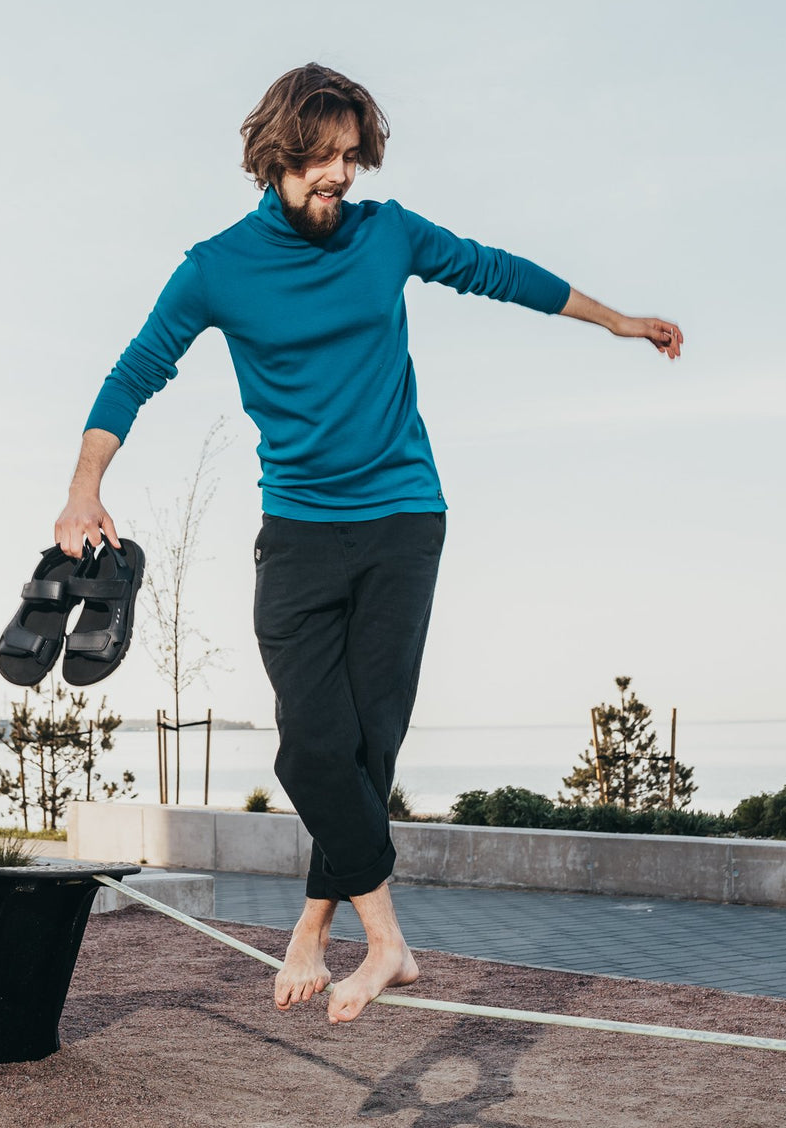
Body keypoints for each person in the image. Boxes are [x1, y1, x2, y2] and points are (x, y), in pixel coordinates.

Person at [55, 62, 683, 1025]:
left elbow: (498, 271)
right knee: (314, 750)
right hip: (298, 532)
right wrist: (83, 486)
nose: (341, 175)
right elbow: (137, 369)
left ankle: (319, 930)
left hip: (402, 520)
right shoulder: (217, 268)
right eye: (323, 157)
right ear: (276, 155)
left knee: (367, 745)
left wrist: (619, 323)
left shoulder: (387, 235)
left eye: (352, 156)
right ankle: (387, 941)